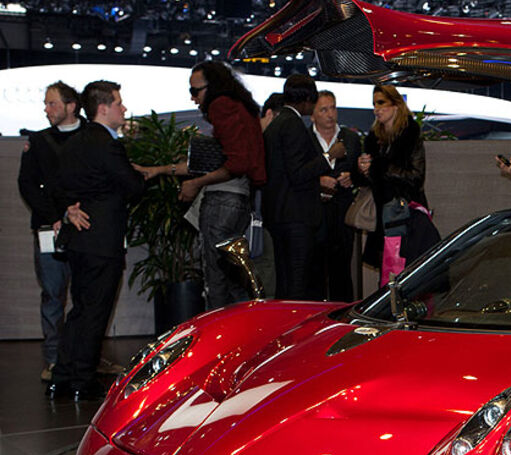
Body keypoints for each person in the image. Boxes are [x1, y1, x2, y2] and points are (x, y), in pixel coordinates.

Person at [134, 62, 266, 309]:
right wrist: (160, 170)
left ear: (212, 87)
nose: (192, 97)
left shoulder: (221, 105)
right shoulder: (238, 106)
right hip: (236, 201)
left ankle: (219, 342)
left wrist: (195, 184)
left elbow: (235, 163)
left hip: (222, 203)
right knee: (232, 278)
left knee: (216, 280)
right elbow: (216, 162)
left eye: (196, 91)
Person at [47, 81, 145, 401]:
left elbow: (57, 184)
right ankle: (82, 380)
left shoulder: (76, 141)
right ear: (103, 108)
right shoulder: (107, 143)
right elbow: (132, 186)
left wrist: (69, 206)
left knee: (79, 311)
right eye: (119, 103)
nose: (124, 109)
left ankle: (62, 376)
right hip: (102, 240)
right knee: (94, 312)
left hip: (79, 239)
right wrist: (138, 176)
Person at [18, 81, 85, 382]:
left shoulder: (91, 137)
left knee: (88, 296)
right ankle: (54, 359)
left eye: (52, 104)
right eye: (46, 104)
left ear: (71, 106)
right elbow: (27, 185)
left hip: (86, 229)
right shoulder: (38, 141)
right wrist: (54, 216)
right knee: (53, 295)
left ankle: (84, 357)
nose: (46, 110)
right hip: (49, 229)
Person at [262, 75, 337, 300]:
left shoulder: (276, 124)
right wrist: (329, 157)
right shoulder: (293, 124)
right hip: (296, 216)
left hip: (278, 214)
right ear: (307, 99)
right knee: (297, 284)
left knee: (285, 281)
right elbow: (298, 173)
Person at [358, 85, 438, 285]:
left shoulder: (410, 135)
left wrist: (380, 167)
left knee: (406, 274)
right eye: (374, 104)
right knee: (387, 274)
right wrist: (363, 170)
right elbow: (372, 180)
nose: (377, 109)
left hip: (406, 213)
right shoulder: (374, 139)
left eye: (381, 103)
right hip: (383, 214)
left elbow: (416, 177)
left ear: (396, 105)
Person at [312, 90, 363, 301]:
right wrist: (319, 182)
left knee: (342, 271)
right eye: (324, 109)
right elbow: (297, 173)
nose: (330, 114)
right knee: (314, 272)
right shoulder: (306, 138)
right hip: (314, 214)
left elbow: (363, 174)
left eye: (333, 107)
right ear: (313, 114)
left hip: (343, 212)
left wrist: (352, 177)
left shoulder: (350, 138)